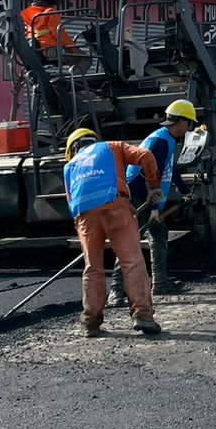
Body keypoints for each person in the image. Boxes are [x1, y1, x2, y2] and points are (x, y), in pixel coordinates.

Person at [62, 127, 163, 337]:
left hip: (85, 213)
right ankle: (143, 316)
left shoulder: (70, 166)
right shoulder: (112, 146)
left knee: (93, 266)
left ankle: (90, 322)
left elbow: (71, 201)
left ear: (73, 149)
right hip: (115, 202)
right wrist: (153, 186)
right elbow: (146, 155)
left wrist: (83, 228)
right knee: (132, 261)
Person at [110, 99, 198, 304]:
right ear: (181, 122)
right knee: (131, 240)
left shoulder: (166, 139)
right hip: (139, 192)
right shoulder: (159, 142)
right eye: (189, 123)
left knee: (158, 233)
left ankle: (159, 283)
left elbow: (170, 169)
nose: (189, 129)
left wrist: (185, 190)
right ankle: (116, 289)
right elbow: (151, 175)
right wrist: (155, 208)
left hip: (145, 192)